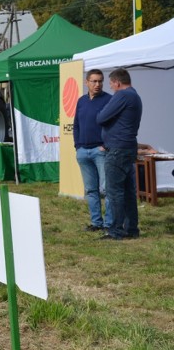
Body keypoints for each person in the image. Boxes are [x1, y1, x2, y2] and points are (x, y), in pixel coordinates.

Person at [97, 68, 143, 240]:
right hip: (128, 147)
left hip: (117, 149)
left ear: (117, 82)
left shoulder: (122, 95)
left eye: (111, 84)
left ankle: (116, 231)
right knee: (128, 191)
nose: (111, 87)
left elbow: (101, 118)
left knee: (115, 191)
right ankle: (131, 229)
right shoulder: (135, 95)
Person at [73, 69, 113, 232]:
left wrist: (105, 145)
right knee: (91, 190)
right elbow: (76, 125)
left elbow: (113, 125)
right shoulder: (81, 101)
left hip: (100, 151)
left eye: (100, 81)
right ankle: (96, 223)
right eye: (94, 81)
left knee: (108, 189)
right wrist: (78, 145)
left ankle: (110, 224)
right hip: (83, 151)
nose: (98, 84)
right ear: (86, 82)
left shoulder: (109, 100)